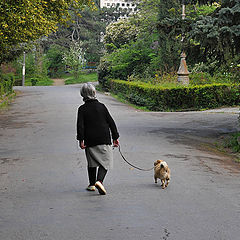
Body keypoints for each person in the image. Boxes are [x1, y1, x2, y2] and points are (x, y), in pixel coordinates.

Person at [76, 83, 119, 195]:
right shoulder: (102, 107)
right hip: (104, 138)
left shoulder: (82, 109)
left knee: (92, 163)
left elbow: (80, 126)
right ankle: (99, 181)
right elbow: (111, 122)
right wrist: (115, 137)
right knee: (106, 162)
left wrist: (81, 140)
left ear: (82, 95)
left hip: (89, 140)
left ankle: (91, 184)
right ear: (94, 93)